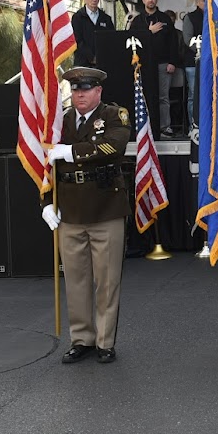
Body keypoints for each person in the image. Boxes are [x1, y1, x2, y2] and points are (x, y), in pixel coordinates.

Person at [40, 68, 131, 365]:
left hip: (105, 207)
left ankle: (105, 341)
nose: (79, 94)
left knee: (106, 280)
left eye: (86, 89)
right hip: (69, 208)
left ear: (98, 91)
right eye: (76, 89)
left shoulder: (115, 115)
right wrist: (45, 201)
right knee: (76, 280)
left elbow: (113, 146)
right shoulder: (60, 120)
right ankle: (82, 339)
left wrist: (69, 152)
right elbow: (43, 163)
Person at [128, 0, 180, 136]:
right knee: (145, 95)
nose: (150, 0)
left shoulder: (164, 19)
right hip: (143, 65)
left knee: (163, 96)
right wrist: (148, 32)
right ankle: (146, 126)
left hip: (163, 64)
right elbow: (133, 39)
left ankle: (165, 126)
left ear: (157, 0)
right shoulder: (137, 20)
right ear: (143, 0)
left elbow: (173, 42)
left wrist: (172, 62)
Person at [182, 0, 208, 128]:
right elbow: (187, 39)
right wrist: (204, 52)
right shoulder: (190, 17)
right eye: (204, 1)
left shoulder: (216, 18)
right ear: (197, 2)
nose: (207, 3)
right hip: (193, 63)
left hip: (212, 63)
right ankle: (194, 126)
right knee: (194, 94)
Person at [71, 0, 115, 67]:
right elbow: (77, 40)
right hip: (83, 64)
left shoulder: (106, 19)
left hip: (103, 64)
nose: (94, 0)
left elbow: (111, 39)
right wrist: (91, 57)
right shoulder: (77, 17)